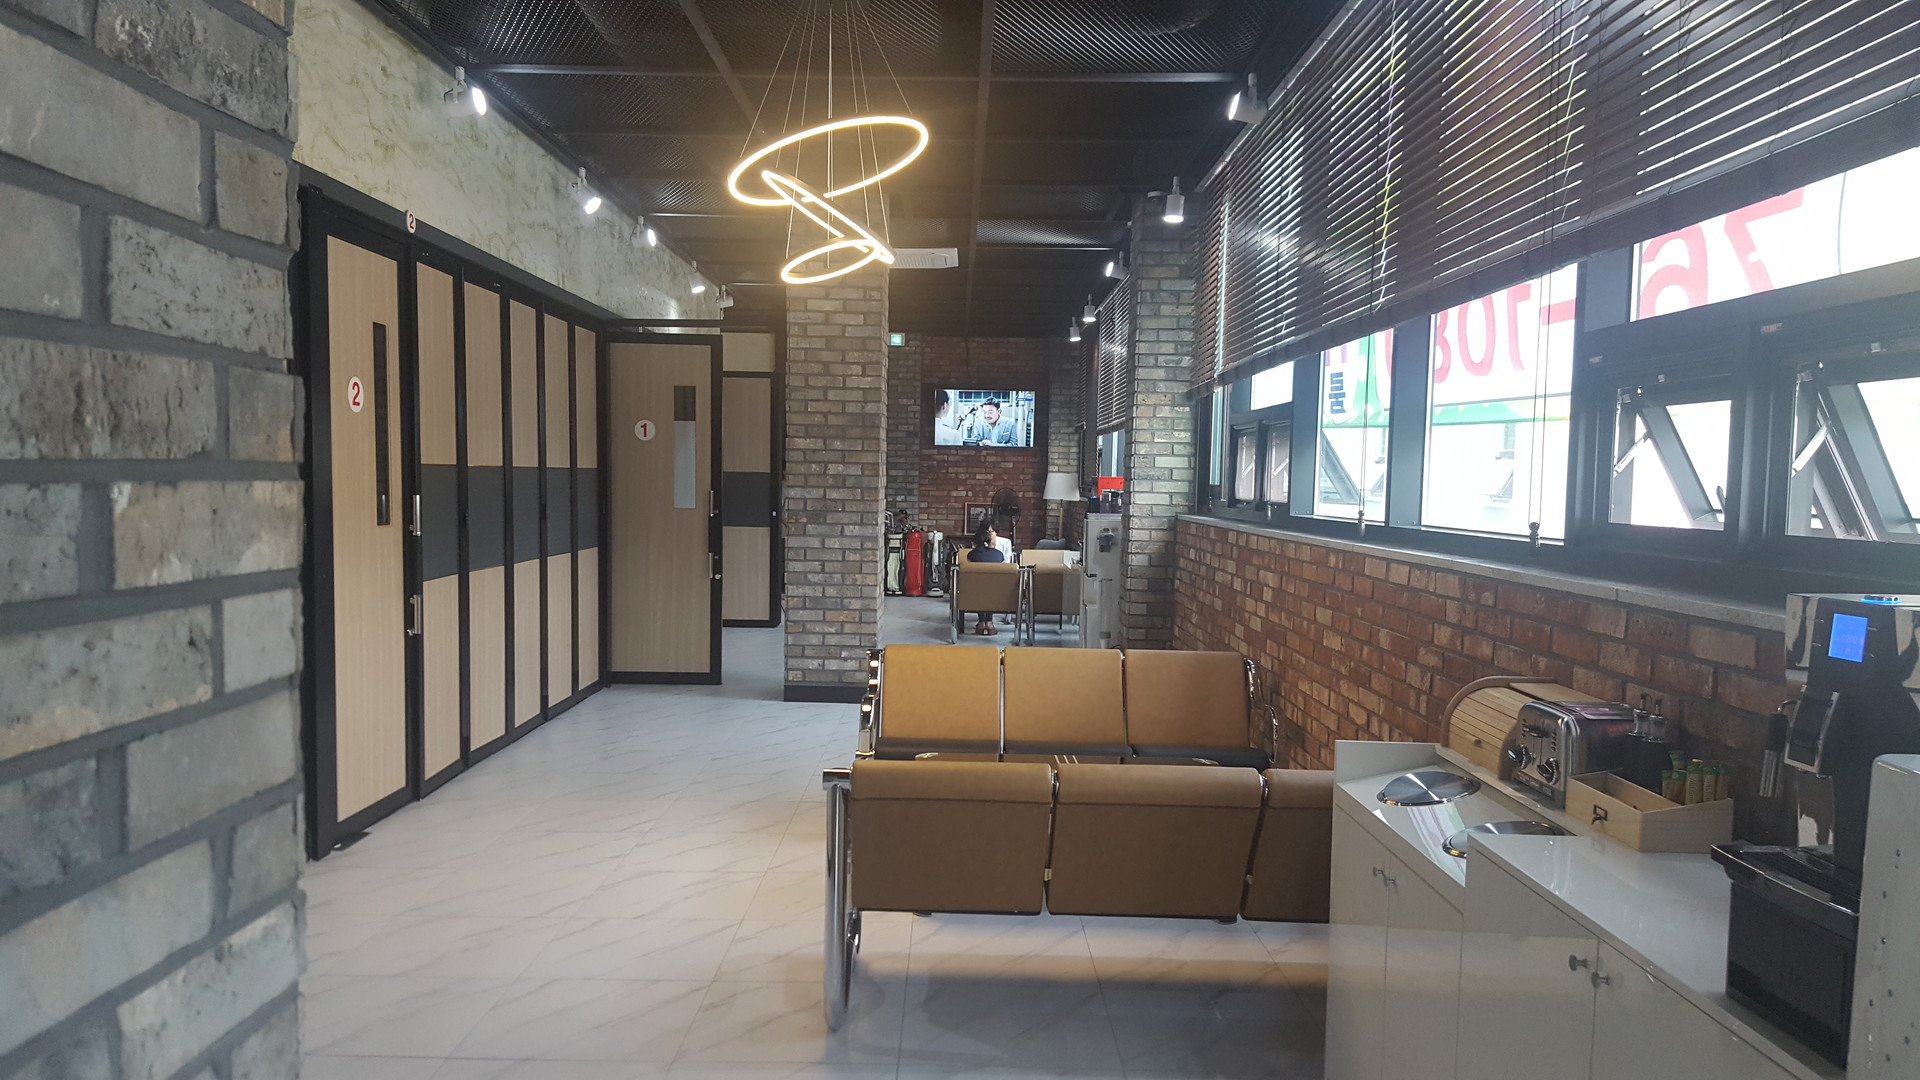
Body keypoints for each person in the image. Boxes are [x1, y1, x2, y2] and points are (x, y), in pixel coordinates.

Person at [964, 524, 1006, 635]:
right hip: (997, 594)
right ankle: (989, 623)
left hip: (975, 593)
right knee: (990, 588)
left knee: (979, 587)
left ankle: (982, 622)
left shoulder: (972, 555)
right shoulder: (999, 555)